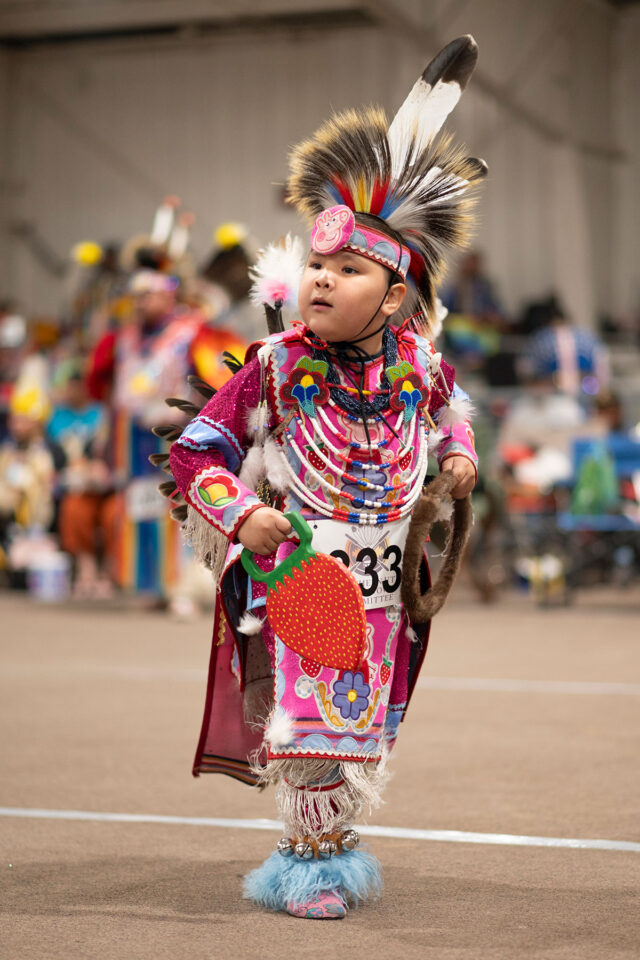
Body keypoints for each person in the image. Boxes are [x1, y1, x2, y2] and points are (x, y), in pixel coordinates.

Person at [167, 35, 485, 919]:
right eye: (314, 265)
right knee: (310, 731)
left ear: (394, 298)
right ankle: (304, 866)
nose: (321, 281)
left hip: (386, 581)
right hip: (306, 572)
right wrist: (241, 520)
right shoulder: (271, 366)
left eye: (348, 270)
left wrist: (459, 453)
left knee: (361, 730)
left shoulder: (419, 367)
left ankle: (332, 848)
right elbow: (197, 449)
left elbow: (453, 411)